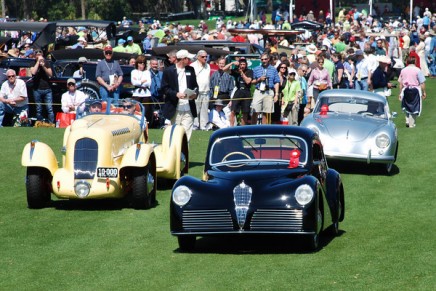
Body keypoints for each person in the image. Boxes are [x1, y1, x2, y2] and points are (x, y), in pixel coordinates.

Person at [161, 49, 198, 141]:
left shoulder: (191, 70)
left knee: (186, 136)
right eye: (187, 59)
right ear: (182, 59)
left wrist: (195, 93)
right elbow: (164, 88)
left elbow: (195, 86)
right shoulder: (168, 71)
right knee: (175, 135)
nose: (189, 61)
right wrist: (176, 94)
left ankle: (185, 154)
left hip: (189, 108)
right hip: (175, 108)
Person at [252, 53, 280, 124]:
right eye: (262, 59)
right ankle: (253, 129)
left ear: (268, 59)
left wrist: (276, 94)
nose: (263, 61)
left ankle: (264, 130)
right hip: (259, 91)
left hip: (269, 91)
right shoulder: (256, 69)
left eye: (265, 59)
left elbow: (276, 82)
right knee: (255, 110)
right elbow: (252, 81)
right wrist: (259, 79)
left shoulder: (274, 69)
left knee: (266, 112)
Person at [398, 56, 427, 128]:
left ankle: (407, 120)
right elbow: (422, 82)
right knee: (414, 106)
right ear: (414, 62)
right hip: (415, 89)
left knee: (407, 105)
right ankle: (411, 123)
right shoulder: (417, 70)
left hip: (406, 89)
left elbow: (400, 83)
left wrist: (400, 92)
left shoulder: (403, 70)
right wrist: (424, 92)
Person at [31, 49, 54, 124]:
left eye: (40, 54)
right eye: (37, 54)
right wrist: (38, 62)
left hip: (47, 89)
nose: (38, 55)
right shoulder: (33, 63)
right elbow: (33, 72)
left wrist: (43, 66)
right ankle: (39, 123)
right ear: (35, 55)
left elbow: (50, 74)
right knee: (38, 109)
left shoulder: (47, 62)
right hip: (37, 89)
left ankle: (51, 123)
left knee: (49, 108)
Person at [229, 58, 253, 126]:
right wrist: (232, 63)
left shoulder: (249, 71)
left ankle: (243, 128)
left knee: (245, 112)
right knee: (233, 111)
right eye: (241, 64)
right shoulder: (236, 71)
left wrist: (242, 73)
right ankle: (231, 128)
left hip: (246, 91)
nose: (242, 66)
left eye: (244, 64)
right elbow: (224, 70)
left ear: (246, 65)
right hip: (238, 91)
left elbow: (248, 81)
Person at [190, 50, 211, 130]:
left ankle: (204, 126)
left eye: (206, 56)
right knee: (196, 110)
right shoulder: (193, 66)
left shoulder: (208, 66)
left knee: (204, 110)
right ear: (198, 57)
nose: (205, 58)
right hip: (197, 92)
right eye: (203, 57)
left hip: (206, 91)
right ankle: (195, 126)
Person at [130, 55, 152, 123]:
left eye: (143, 63)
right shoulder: (134, 72)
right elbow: (134, 83)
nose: (142, 65)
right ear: (137, 63)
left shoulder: (147, 72)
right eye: (140, 63)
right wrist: (142, 81)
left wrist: (138, 82)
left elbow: (148, 83)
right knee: (136, 110)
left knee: (146, 111)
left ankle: (145, 124)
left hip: (146, 94)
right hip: (137, 94)